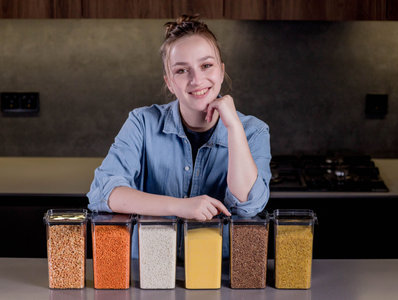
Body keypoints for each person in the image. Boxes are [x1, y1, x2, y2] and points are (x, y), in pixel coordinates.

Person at [87, 15, 271, 234]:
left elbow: (248, 205)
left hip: (216, 267)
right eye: (182, 70)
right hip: (150, 264)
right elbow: (103, 192)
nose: (196, 79)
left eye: (206, 65)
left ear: (221, 71)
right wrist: (181, 206)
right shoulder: (142, 123)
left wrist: (233, 128)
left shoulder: (253, 131)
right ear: (170, 82)